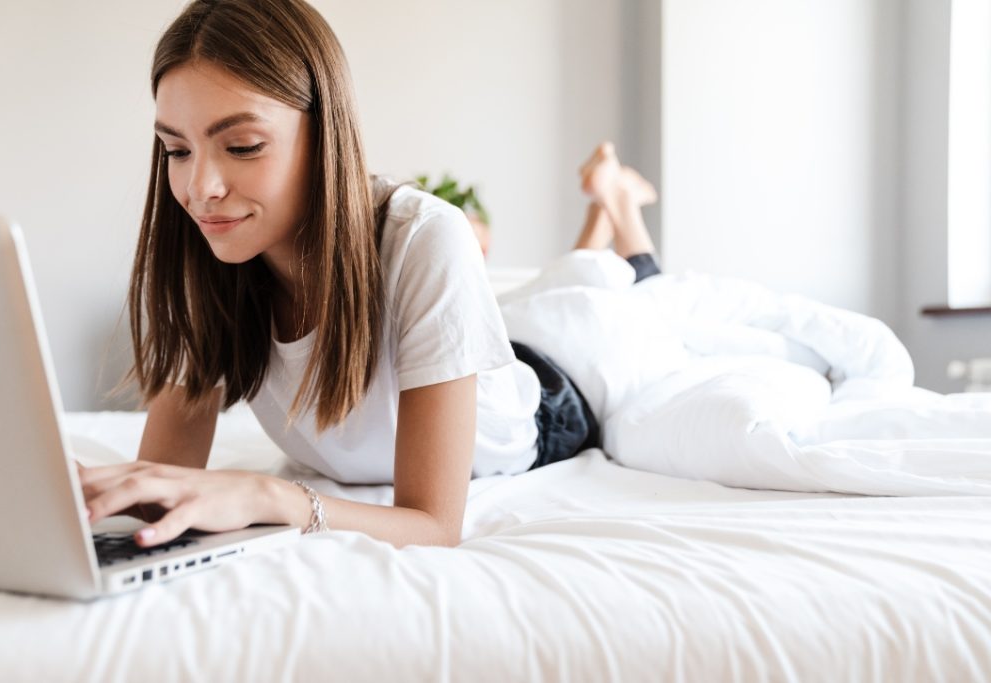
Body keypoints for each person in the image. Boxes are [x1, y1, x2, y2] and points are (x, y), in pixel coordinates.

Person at [79, 0, 663, 549]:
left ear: (324, 133)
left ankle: (620, 212)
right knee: (558, 286)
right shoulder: (210, 248)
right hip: (481, 349)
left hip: (549, 401)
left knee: (621, 293)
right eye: (176, 151)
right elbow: (166, 481)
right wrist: (85, 500)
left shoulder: (426, 236)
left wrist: (271, 495)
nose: (201, 189)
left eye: (244, 146)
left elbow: (434, 524)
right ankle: (604, 210)